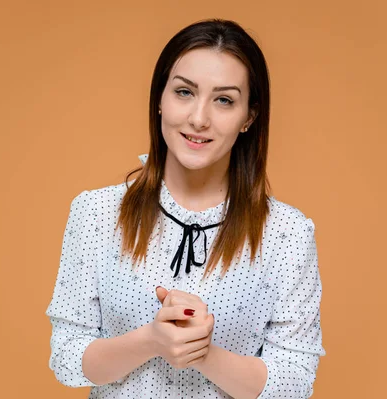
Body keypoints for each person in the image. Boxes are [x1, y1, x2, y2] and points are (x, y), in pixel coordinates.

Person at [45, 18, 326, 399]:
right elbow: (66, 358)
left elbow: (295, 382)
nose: (199, 118)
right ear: (159, 99)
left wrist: (203, 353)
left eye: (224, 99)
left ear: (250, 116)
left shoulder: (287, 233)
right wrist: (152, 340)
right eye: (184, 93)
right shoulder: (97, 212)